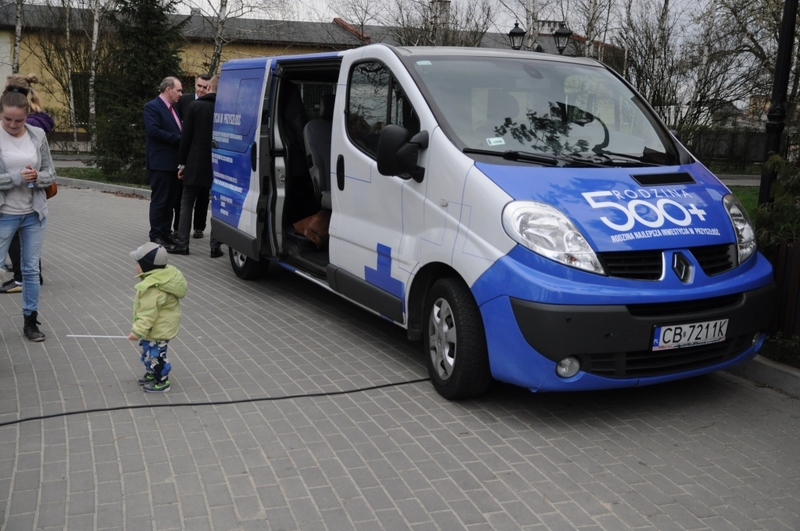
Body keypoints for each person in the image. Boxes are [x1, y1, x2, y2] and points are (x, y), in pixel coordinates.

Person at [0, 85, 56, 341]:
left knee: (31, 270)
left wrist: (36, 176)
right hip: (4, 213)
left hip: (34, 212)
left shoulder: (37, 134)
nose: (13, 125)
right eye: (7, 119)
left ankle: (30, 321)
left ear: (27, 115)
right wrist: (16, 177)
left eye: (19, 120)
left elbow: (50, 174)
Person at [170, 75, 222, 257]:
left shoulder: (195, 106)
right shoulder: (226, 109)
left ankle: (183, 244)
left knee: (186, 202)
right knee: (217, 204)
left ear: (208, 88)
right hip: (220, 165)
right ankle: (215, 246)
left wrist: (182, 163)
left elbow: (186, 140)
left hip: (195, 162)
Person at [127, 242, 187, 393]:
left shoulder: (152, 288)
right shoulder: (162, 277)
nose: (135, 265)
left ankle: (162, 381)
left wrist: (137, 331)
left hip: (158, 330)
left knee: (156, 356)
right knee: (148, 352)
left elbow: (148, 313)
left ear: (146, 266)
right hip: (156, 328)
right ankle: (152, 374)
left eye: (137, 262)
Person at [143, 77, 183, 249]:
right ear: (168, 89)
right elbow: (154, 131)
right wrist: (179, 139)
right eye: (179, 90)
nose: (181, 94)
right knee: (160, 200)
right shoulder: (152, 107)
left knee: (171, 201)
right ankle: (156, 235)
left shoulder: (173, 109)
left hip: (173, 164)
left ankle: (166, 233)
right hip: (160, 163)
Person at [175, 74, 212, 239]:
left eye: (205, 87)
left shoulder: (212, 103)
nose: (201, 89)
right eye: (199, 86)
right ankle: (179, 230)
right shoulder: (186, 101)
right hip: (191, 156)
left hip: (203, 158)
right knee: (184, 198)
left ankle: (198, 228)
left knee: (202, 196)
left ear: (209, 87)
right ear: (195, 85)